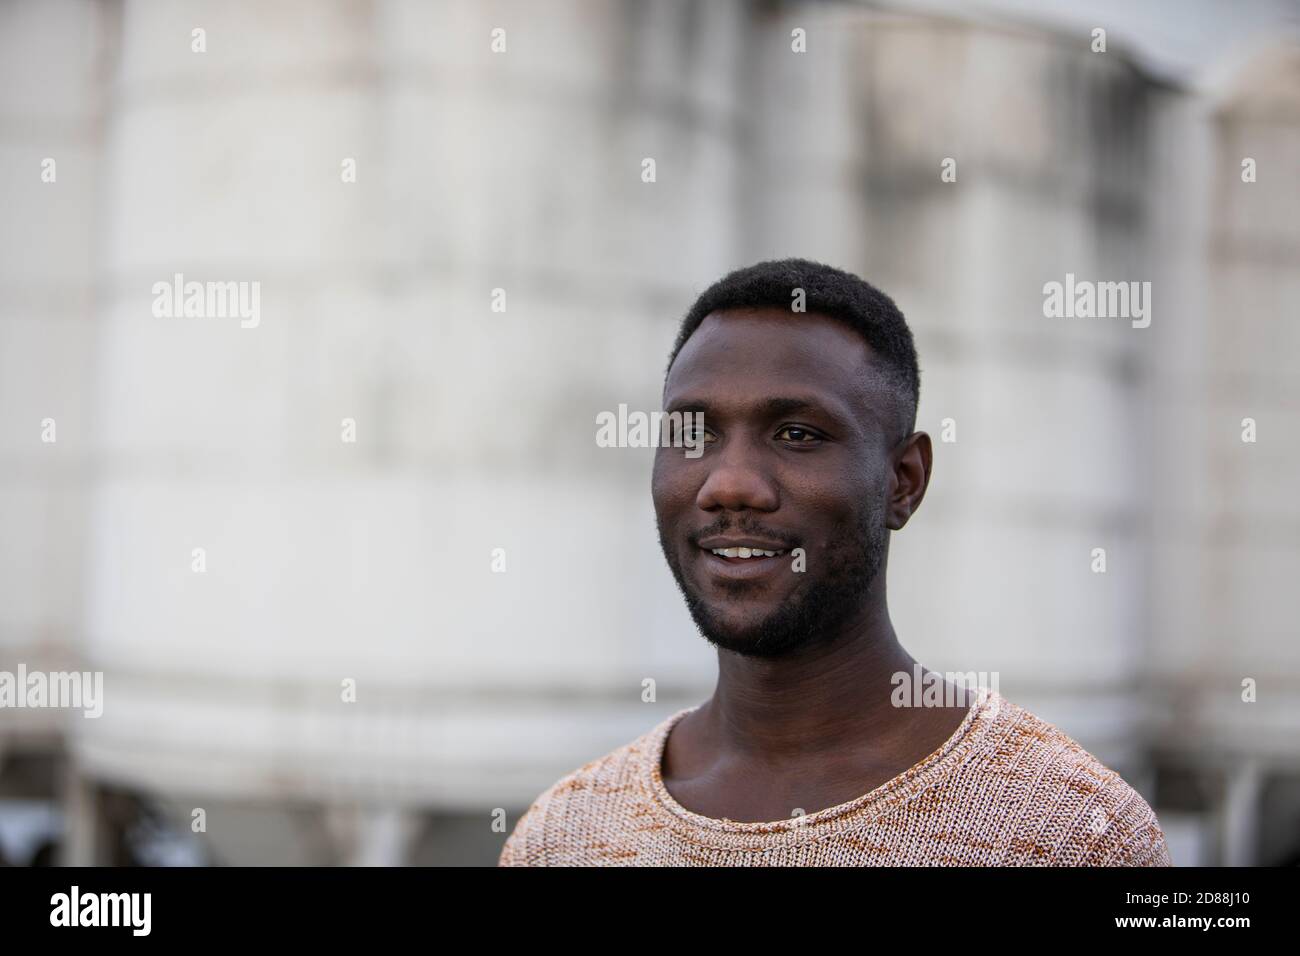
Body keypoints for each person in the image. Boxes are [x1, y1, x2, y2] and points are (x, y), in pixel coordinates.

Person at [500, 258, 1171, 866]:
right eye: (693, 434)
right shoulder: (566, 838)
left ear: (903, 481)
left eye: (797, 434)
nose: (729, 485)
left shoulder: (1071, 833)